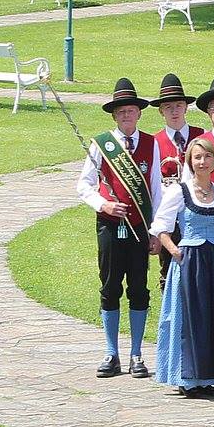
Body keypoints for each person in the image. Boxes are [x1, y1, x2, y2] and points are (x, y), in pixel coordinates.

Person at [77, 78, 161, 378]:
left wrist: (156, 231)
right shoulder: (102, 144)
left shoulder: (151, 144)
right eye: (121, 112)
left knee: (139, 288)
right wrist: (104, 205)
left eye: (131, 111)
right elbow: (84, 185)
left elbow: (156, 189)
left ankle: (137, 353)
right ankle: (111, 352)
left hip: (140, 228)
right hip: (110, 226)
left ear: (139, 114)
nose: (127, 116)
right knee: (110, 286)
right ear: (115, 116)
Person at [152, 137, 214, 396]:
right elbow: (161, 226)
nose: (202, 162)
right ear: (190, 162)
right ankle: (187, 376)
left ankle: (209, 375)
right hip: (189, 260)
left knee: (213, 317)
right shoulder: (179, 191)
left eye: (207, 157)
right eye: (197, 157)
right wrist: (175, 251)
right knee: (189, 317)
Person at [151, 73, 197, 182]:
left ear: (186, 108)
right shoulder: (154, 142)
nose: (174, 111)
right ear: (161, 111)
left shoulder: (202, 136)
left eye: (179, 105)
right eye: (168, 107)